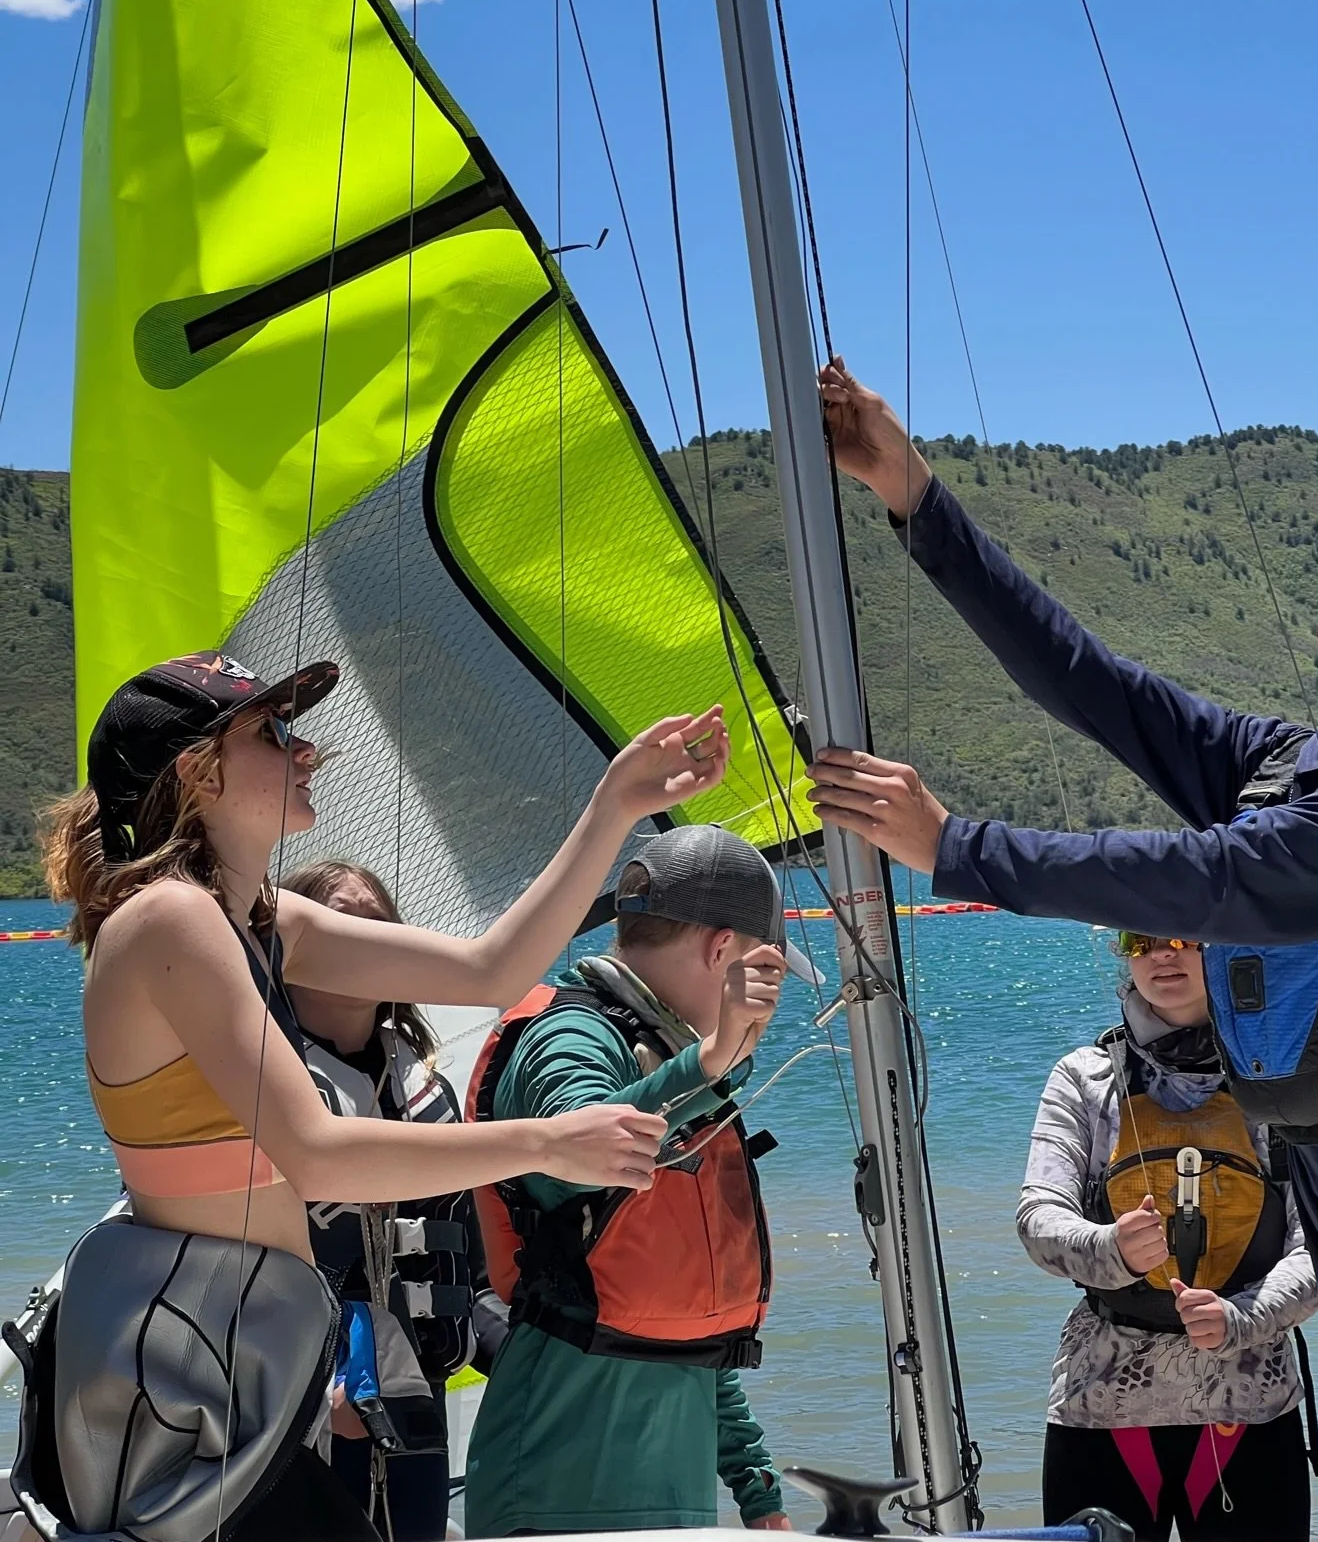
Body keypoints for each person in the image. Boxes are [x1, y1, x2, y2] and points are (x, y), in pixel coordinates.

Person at [809, 362, 1318, 1542]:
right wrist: (914, 498)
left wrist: (958, 847)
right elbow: (1101, 690)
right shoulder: (1297, 762)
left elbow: (1228, 877)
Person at [17, 649, 726, 1542]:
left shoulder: (254, 918)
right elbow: (314, 1152)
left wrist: (615, 803)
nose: (306, 749)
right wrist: (546, 1142)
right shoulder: (172, 916)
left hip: (239, 1368)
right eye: (273, 732)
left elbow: (492, 968)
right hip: (204, 1370)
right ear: (198, 770)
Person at [462, 823, 819, 1537]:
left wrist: (755, 1487)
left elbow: (685, 1311)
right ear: (724, 951)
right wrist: (713, 1060)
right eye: (762, 973)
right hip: (561, 1472)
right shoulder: (569, 1038)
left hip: (675, 1473)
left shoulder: (671, 1051)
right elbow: (583, 1147)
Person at [1019, 930, 1318, 1540]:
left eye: (1186, 936)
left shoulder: (1283, 1079)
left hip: (1251, 1401)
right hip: (1104, 1403)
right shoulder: (1085, 1077)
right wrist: (1111, 1250)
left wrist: (1241, 1318)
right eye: (1142, 939)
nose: (1163, 953)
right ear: (1126, 956)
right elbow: (1038, 1220)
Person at [284, 859, 484, 1542]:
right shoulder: (261, 1080)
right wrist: (317, 1390)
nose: (372, 939)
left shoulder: (427, 1088)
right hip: (293, 1416)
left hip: (412, 1402)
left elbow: (469, 1268)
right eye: (346, 923)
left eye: (382, 926)